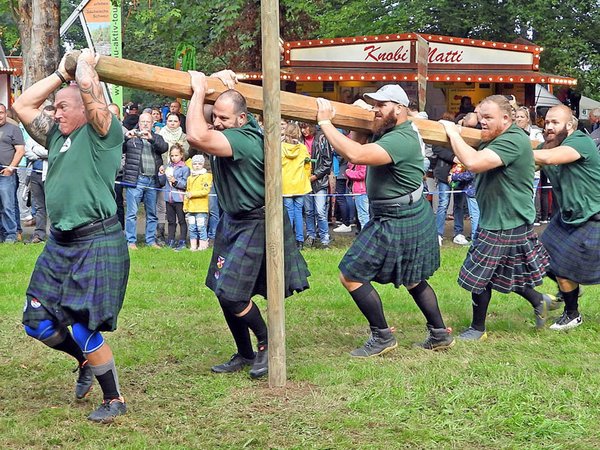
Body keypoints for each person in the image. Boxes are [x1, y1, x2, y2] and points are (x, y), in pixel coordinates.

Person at [13, 48, 129, 423]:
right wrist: (61, 74)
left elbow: (92, 96)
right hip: (60, 243)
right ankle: (82, 360)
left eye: (62, 107)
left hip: (96, 240)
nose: (55, 112)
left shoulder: (103, 134)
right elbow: (22, 104)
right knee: (37, 321)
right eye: (56, 107)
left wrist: (84, 69)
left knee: (82, 324)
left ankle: (115, 400)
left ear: (83, 108)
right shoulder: (55, 138)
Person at [186, 70, 310, 379]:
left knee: (232, 294)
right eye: (217, 117)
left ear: (241, 119)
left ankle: (268, 343)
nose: (217, 122)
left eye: (224, 118)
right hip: (233, 220)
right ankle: (244, 353)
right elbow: (204, 117)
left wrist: (200, 88)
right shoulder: (244, 126)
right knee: (221, 287)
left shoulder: (243, 140)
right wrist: (216, 83)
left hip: (255, 221)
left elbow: (195, 134)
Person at [316, 84, 454, 354]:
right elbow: (355, 143)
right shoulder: (391, 131)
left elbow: (356, 155)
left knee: (350, 274)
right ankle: (439, 334)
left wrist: (325, 121)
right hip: (402, 213)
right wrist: (354, 119)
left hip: (397, 216)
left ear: (400, 109)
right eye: (373, 105)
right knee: (414, 279)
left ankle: (382, 337)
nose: (375, 110)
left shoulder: (400, 138)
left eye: (382, 105)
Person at [440, 95, 551, 340]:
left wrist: (452, 131)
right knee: (503, 270)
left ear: (507, 118)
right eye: (480, 118)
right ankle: (540, 301)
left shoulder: (512, 139)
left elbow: (474, 162)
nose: (483, 123)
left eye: (488, 118)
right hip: (503, 217)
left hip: (506, 219)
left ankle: (477, 329)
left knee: (479, 275)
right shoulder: (496, 138)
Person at [533, 105, 600, 330]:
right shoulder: (547, 146)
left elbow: (551, 158)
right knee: (541, 256)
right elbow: (529, 160)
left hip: (593, 216)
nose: (549, 127)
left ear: (570, 125)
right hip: (568, 217)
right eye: (547, 122)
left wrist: (515, 151)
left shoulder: (580, 141)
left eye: (555, 123)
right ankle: (571, 294)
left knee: (564, 266)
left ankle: (572, 314)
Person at [122, 112, 168, 249]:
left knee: (152, 213)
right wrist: (125, 138)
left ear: (153, 123)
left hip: (152, 180)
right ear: (139, 123)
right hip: (135, 180)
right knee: (132, 213)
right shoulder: (131, 138)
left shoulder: (157, 137)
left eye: (148, 122)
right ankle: (131, 241)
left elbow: (164, 147)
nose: (145, 124)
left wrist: (151, 138)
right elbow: (118, 149)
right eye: (143, 122)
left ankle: (150, 241)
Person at [432, 112, 469, 246]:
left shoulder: (459, 135)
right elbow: (437, 149)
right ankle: (438, 234)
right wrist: (454, 158)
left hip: (460, 173)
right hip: (444, 173)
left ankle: (458, 233)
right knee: (443, 203)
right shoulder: (438, 137)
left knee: (459, 205)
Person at [157, 112, 190, 243]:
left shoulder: (185, 137)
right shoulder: (160, 135)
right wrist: (161, 172)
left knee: (181, 219)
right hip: (167, 187)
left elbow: (184, 183)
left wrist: (175, 181)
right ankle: (168, 238)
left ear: (179, 123)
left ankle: (182, 239)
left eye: (175, 121)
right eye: (169, 120)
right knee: (169, 217)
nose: (172, 123)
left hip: (179, 194)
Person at [301, 122, 333, 248]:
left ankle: (325, 239)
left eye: (306, 127)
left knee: (320, 211)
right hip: (304, 181)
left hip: (319, 182)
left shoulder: (322, 138)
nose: (304, 130)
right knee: (308, 211)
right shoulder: (299, 140)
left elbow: (327, 162)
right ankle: (311, 236)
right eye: (302, 127)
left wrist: (315, 176)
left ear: (312, 127)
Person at [281, 122, 311, 249]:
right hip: (300, 185)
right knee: (298, 212)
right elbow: (308, 166)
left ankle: (289, 239)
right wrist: (306, 177)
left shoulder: (280, 147)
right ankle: (300, 240)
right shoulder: (303, 148)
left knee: (289, 212)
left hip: (285, 184)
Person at [0, 103, 25, 243]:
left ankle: (11, 235)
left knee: (7, 206)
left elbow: (20, 150)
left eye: (1, 113)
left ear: (5, 114)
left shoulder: (13, 129)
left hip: (6, 174)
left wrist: (10, 168)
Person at [184, 153, 212, 251]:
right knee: (192, 228)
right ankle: (193, 246)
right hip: (191, 209)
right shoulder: (189, 178)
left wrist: (192, 194)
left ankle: (203, 246)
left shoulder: (207, 176)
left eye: (199, 164)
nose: (197, 166)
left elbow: (205, 191)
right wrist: (185, 206)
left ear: (203, 164)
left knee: (201, 227)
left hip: (201, 208)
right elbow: (187, 193)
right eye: (195, 164)